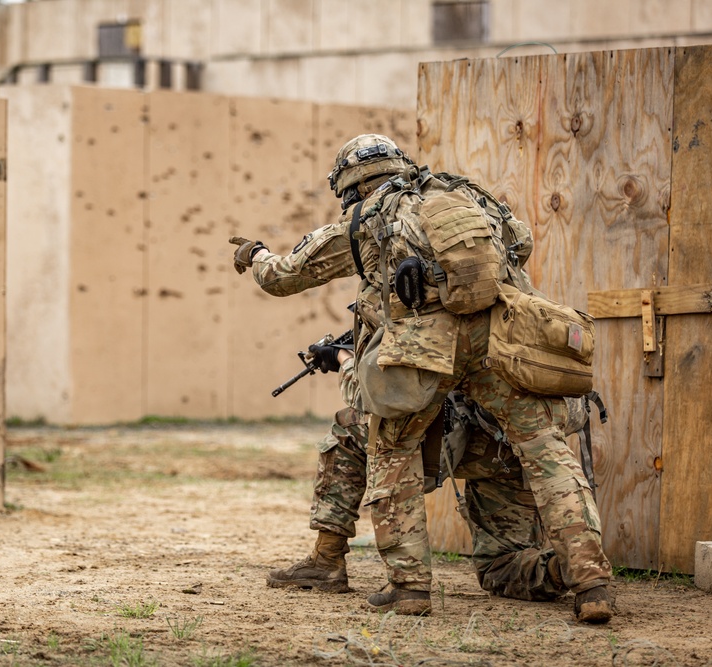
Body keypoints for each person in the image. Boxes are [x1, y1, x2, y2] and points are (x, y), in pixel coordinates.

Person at [231, 134, 613, 623]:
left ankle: (409, 588)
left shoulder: (367, 218)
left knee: (390, 450)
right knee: (549, 452)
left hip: (428, 354)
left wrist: (255, 255)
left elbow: (283, 277)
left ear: (350, 184)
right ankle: (592, 583)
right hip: (503, 344)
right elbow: (520, 241)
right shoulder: (470, 197)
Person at [269, 341, 595, 606]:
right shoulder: (514, 312)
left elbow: (376, 396)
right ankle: (566, 567)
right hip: (514, 447)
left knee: (348, 426)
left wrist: (343, 357)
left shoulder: (436, 309)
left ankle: (326, 560)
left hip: (453, 439)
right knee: (502, 565)